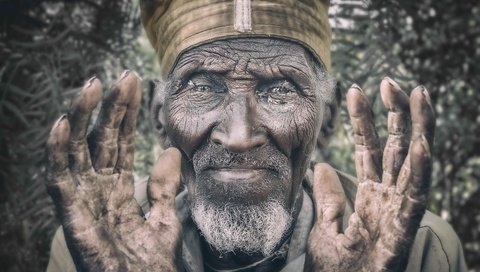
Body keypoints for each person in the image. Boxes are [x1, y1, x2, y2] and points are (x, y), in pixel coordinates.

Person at [45, 0, 467, 271]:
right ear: (159, 118)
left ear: (328, 118)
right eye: (202, 86)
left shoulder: (414, 247)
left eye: (281, 90)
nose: (240, 136)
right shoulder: (103, 243)